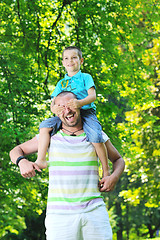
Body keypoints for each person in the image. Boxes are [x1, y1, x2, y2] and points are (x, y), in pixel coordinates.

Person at [10, 91, 125, 240]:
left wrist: (113, 177)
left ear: (79, 105)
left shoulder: (96, 135)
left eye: (70, 105)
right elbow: (15, 151)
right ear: (56, 111)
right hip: (59, 216)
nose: (67, 110)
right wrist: (22, 161)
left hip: (94, 211)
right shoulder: (49, 137)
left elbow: (118, 160)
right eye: (61, 107)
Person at [37, 46, 109, 179]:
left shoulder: (85, 77)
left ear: (81, 61)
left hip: (86, 113)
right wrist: (54, 109)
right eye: (66, 58)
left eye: (74, 57)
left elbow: (92, 96)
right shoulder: (62, 83)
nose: (70, 61)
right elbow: (53, 101)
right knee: (44, 126)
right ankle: (41, 159)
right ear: (63, 63)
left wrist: (80, 103)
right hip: (66, 114)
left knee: (96, 136)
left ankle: (105, 171)